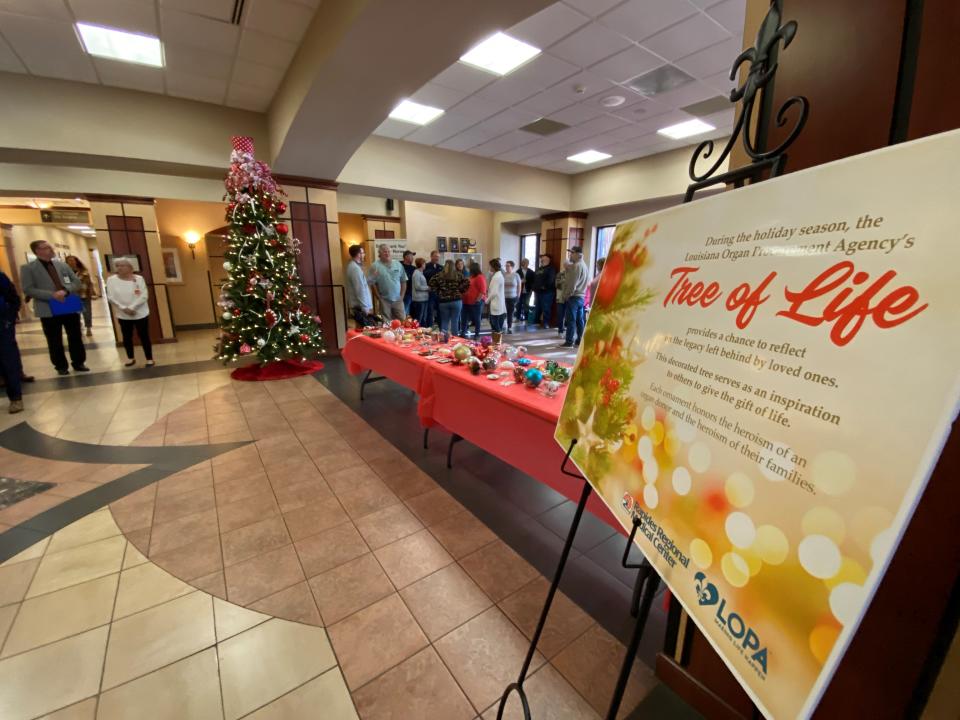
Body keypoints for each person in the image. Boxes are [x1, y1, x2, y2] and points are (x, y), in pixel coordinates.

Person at [20, 240, 89, 375]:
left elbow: (76, 282)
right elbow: (28, 289)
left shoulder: (62, 265)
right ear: (37, 251)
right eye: (46, 247)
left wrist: (66, 290)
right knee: (54, 338)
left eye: (49, 247)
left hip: (68, 303)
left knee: (75, 335)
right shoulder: (28, 268)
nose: (50, 249)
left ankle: (79, 362)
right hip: (48, 306)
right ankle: (60, 365)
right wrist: (52, 295)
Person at [106, 258, 154, 367]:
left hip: (140, 312)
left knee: (144, 336)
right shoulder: (111, 280)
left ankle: (149, 359)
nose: (120, 268)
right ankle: (130, 358)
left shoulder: (139, 279)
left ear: (130, 267)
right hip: (123, 314)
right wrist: (124, 308)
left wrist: (133, 307)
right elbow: (111, 297)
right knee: (127, 336)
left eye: (122, 265)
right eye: (117, 266)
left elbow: (144, 295)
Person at [0, 271, 25, 413]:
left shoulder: (0, 277)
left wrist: (9, 316)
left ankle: (16, 398)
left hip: (2, 325)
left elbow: (13, 298)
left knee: (7, 360)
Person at [428, 260, 469, 337]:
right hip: (456, 301)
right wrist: (460, 291)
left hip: (443, 301)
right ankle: (455, 339)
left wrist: (438, 292)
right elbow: (467, 283)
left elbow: (431, 284)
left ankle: (444, 338)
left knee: (445, 321)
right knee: (455, 321)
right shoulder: (458, 275)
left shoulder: (438, 275)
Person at [368, 245, 406, 320]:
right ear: (380, 254)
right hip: (384, 300)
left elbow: (403, 281)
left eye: (389, 251)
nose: (387, 253)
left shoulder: (398, 264)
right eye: (385, 252)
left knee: (402, 321)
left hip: (398, 300)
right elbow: (372, 283)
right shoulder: (375, 266)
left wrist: (401, 296)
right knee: (387, 324)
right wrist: (378, 297)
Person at [560, 246, 589, 348]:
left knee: (571, 320)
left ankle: (569, 342)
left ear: (578, 254)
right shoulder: (584, 265)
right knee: (579, 320)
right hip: (581, 297)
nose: (570, 255)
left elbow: (572, 284)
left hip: (574, 296)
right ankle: (579, 340)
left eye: (572, 253)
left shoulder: (576, 266)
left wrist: (566, 295)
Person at [65, 255, 95, 337]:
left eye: (73, 260)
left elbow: (89, 283)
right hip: (72, 296)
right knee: (75, 314)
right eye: (69, 261)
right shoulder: (65, 273)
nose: (71, 262)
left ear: (76, 261)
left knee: (87, 312)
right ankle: (78, 327)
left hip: (84, 294)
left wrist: (91, 292)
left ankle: (88, 328)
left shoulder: (84, 271)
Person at [345, 244, 375, 328]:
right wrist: (365, 307)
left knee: (363, 330)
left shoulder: (355, 266)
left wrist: (372, 277)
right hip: (360, 307)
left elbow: (363, 283)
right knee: (364, 331)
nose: (364, 255)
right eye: (363, 253)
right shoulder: (354, 268)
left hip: (361, 305)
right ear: (358, 254)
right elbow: (359, 289)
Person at [460, 263, 486, 338]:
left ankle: (477, 334)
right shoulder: (471, 277)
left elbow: (482, 291)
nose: (468, 269)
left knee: (476, 319)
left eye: (469, 268)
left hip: (475, 302)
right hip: (466, 301)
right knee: (464, 318)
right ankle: (463, 333)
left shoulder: (480, 277)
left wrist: (477, 301)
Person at [532, 254, 556, 329]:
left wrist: (544, 287)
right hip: (538, 292)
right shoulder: (539, 269)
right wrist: (534, 287)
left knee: (546, 308)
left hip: (547, 292)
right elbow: (534, 278)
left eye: (543, 259)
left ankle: (546, 323)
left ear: (547, 260)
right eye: (541, 259)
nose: (541, 260)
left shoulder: (551, 269)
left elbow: (551, 280)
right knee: (538, 307)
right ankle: (536, 322)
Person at [423, 250, 443, 327]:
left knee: (440, 312)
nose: (437, 258)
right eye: (435, 256)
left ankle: (441, 329)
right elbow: (425, 274)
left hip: (439, 293)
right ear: (431, 256)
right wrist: (435, 271)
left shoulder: (441, 267)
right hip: (430, 293)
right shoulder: (426, 266)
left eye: (438, 257)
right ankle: (429, 328)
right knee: (430, 312)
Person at [486, 259, 506, 334]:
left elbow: (494, 292)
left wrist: (487, 301)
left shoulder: (497, 277)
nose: (489, 268)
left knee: (495, 324)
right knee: (496, 324)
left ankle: (497, 340)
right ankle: (497, 340)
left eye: (490, 266)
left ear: (493, 267)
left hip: (496, 302)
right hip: (498, 302)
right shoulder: (498, 275)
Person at [410, 257, 430, 325]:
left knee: (423, 318)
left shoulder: (420, 273)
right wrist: (428, 288)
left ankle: (422, 332)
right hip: (419, 300)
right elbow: (417, 286)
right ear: (421, 264)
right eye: (424, 263)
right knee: (419, 318)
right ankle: (417, 332)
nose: (425, 265)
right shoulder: (416, 274)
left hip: (423, 299)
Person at [502, 260, 520, 334]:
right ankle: (502, 326)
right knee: (503, 312)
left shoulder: (516, 275)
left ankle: (509, 327)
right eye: (506, 266)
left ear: (512, 267)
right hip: (503, 297)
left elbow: (519, 286)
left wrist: (518, 296)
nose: (506, 267)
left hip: (512, 297)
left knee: (510, 313)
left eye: (508, 265)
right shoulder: (503, 274)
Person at [516, 258, 535, 326]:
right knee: (519, 304)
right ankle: (518, 318)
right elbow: (515, 281)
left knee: (526, 304)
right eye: (524, 263)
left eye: (527, 263)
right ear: (522, 263)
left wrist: (532, 288)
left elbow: (533, 281)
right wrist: (521, 281)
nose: (526, 264)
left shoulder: (531, 272)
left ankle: (526, 318)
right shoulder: (517, 271)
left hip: (528, 290)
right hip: (519, 291)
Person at [401, 250, 416, 317]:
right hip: (400, 293)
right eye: (411, 256)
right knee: (403, 312)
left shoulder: (414, 268)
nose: (413, 258)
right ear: (406, 257)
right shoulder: (399, 266)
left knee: (408, 312)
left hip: (410, 294)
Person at [555, 261, 568, 337]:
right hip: (560, 297)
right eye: (565, 265)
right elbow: (556, 285)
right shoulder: (560, 274)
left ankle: (568, 331)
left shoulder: (572, 274)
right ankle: (560, 330)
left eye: (568, 265)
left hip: (569, 297)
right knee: (560, 314)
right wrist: (563, 281)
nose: (567, 267)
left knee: (568, 316)